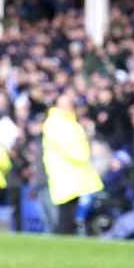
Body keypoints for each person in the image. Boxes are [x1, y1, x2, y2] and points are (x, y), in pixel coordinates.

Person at [43, 94, 104, 235]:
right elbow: (75, 150)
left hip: (71, 174)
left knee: (69, 212)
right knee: (66, 214)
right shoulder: (58, 122)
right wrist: (85, 150)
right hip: (67, 173)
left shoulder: (65, 122)